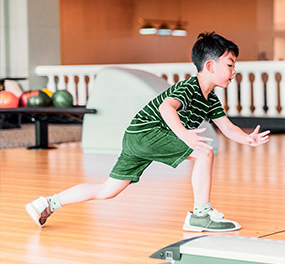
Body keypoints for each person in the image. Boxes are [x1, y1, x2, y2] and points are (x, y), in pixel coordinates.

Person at [25, 32, 269, 232]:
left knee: (107, 190)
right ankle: (200, 215)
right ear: (209, 65)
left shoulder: (209, 98)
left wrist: (247, 138)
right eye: (230, 64)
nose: (234, 70)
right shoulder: (188, 87)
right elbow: (166, 107)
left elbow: (227, 126)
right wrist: (185, 134)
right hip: (147, 134)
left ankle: (46, 204)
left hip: (136, 137)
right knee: (203, 153)